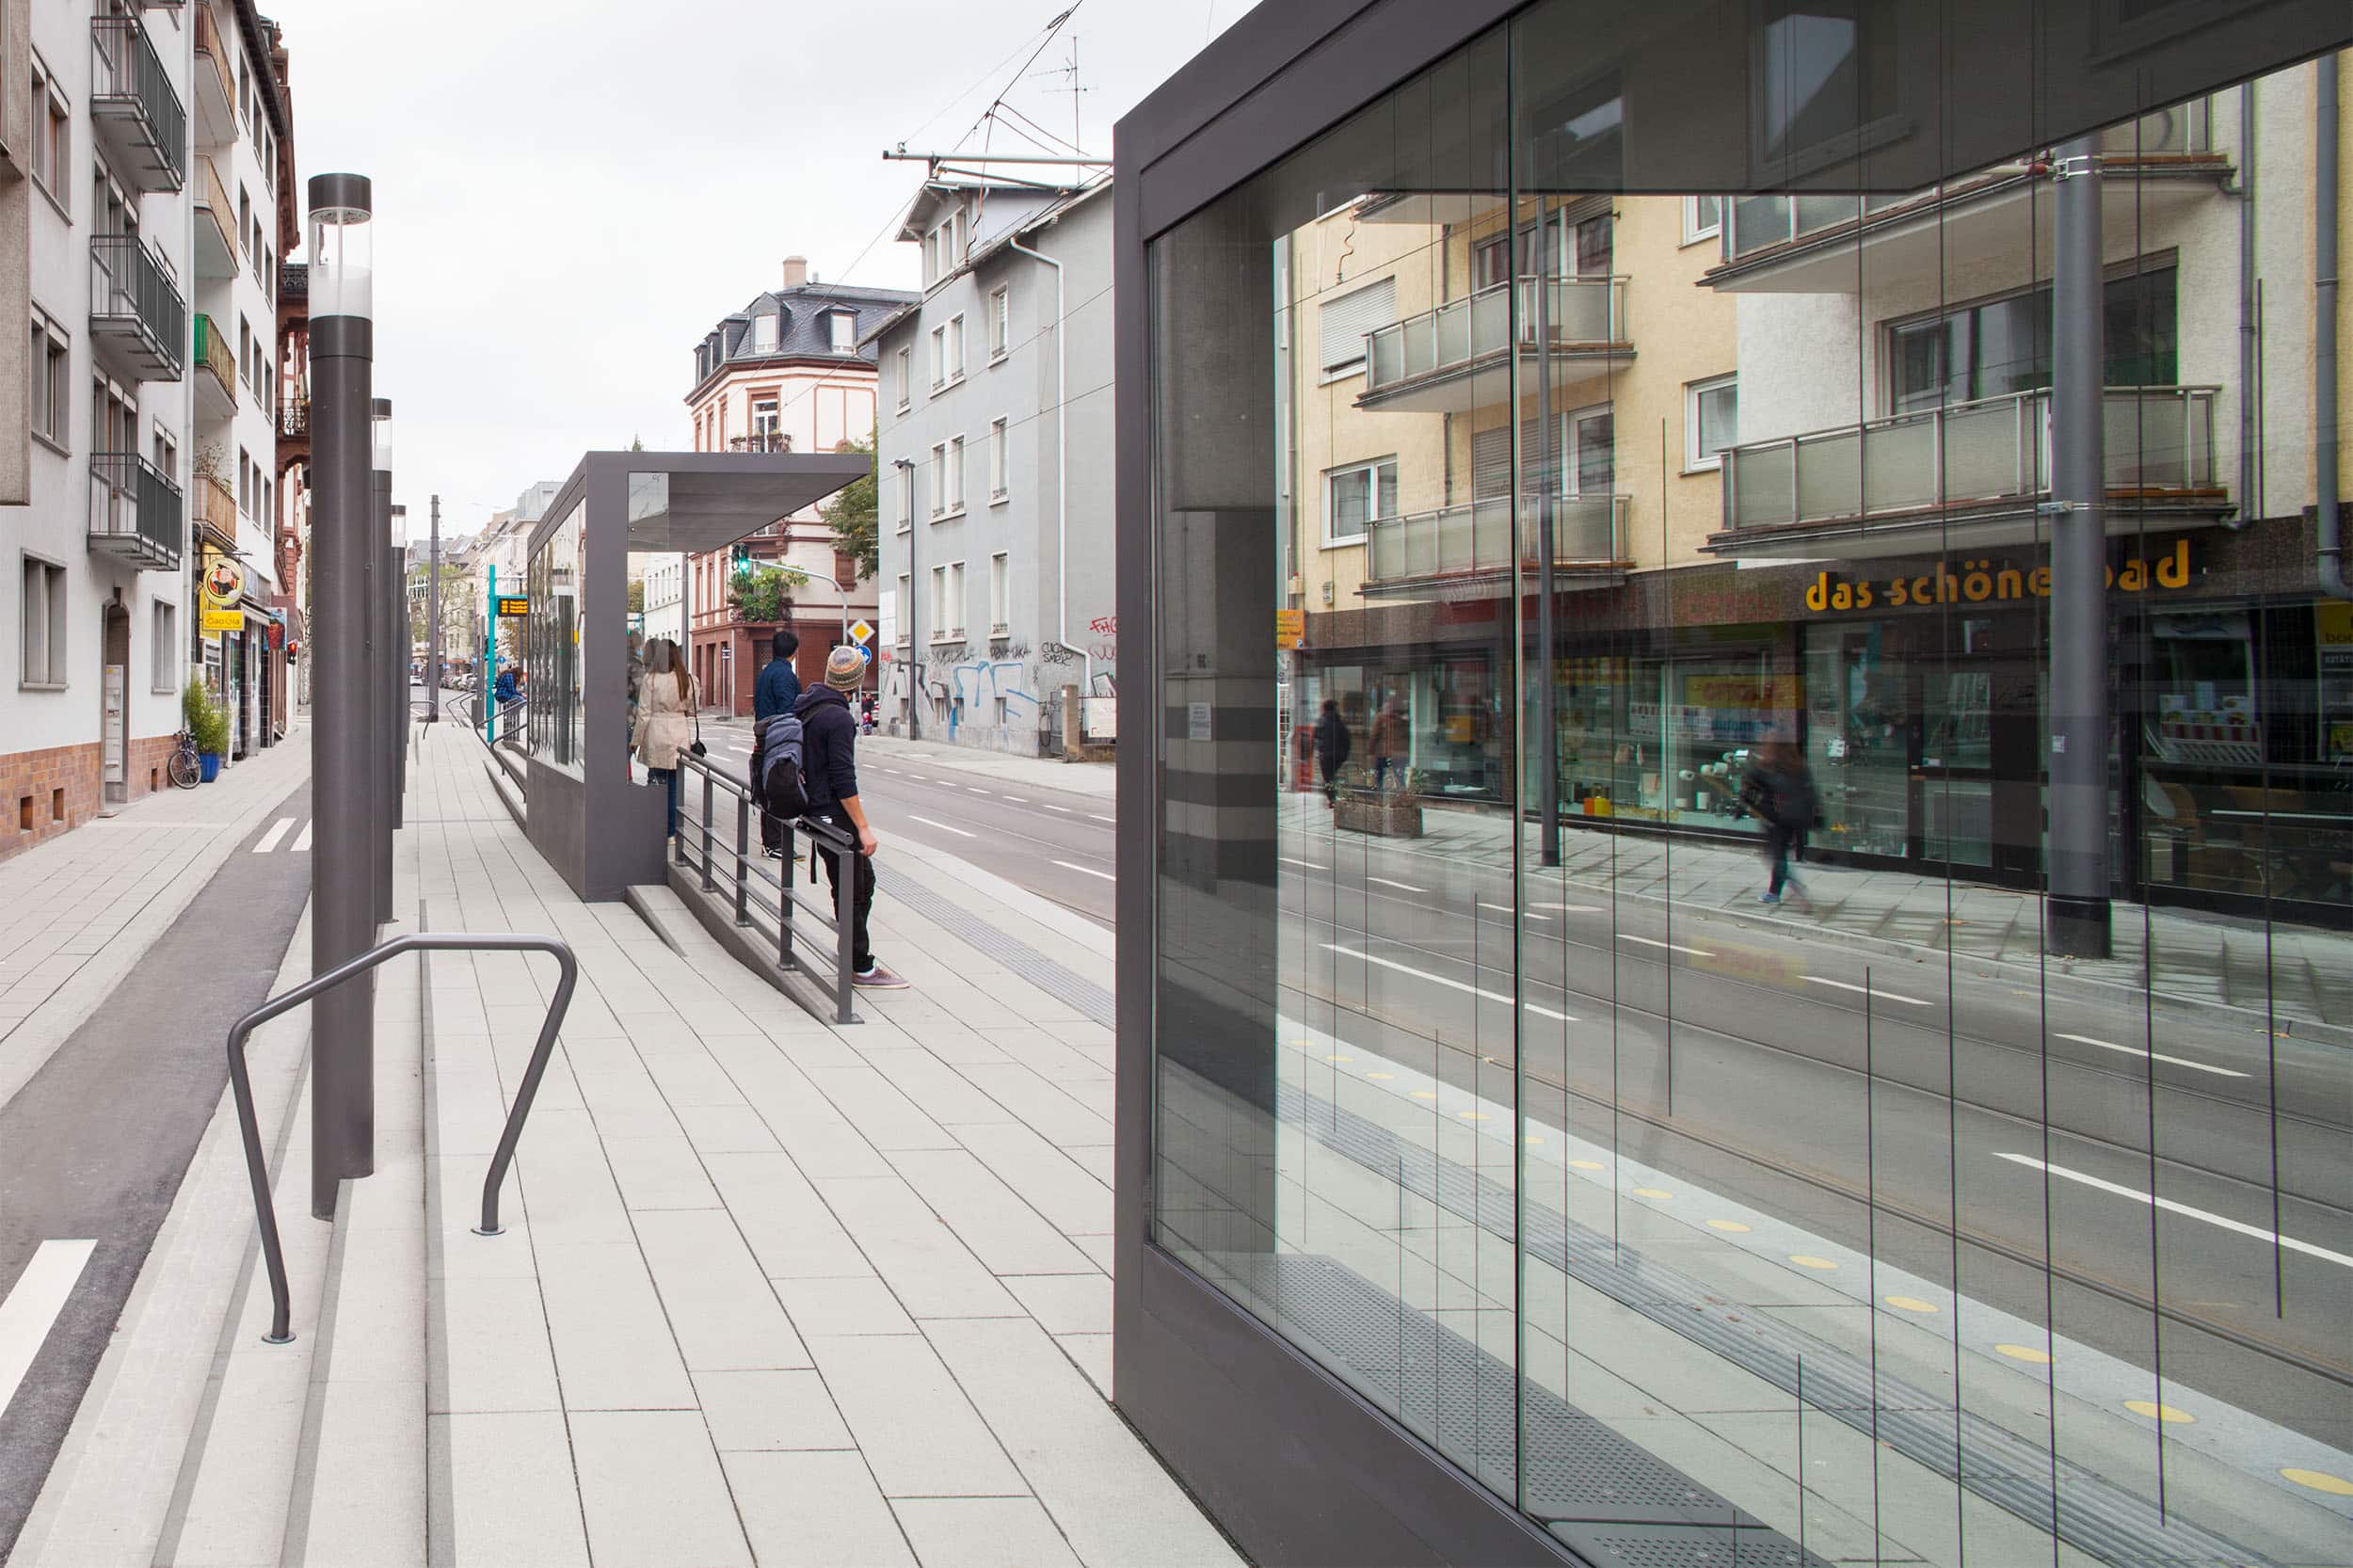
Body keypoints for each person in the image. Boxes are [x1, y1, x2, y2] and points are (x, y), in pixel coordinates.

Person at [795, 646, 907, 988]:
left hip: (815, 809)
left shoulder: (808, 705)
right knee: (855, 887)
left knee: (856, 883)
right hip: (833, 814)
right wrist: (863, 827)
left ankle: (853, 953)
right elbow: (844, 778)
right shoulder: (838, 717)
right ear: (855, 682)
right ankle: (859, 963)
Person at [1740, 740, 1817, 906]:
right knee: (1777, 854)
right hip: (1796, 818)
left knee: (1777, 856)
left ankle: (1776, 892)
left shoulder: (1768, 766)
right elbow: (1810, 792)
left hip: (1776, 818)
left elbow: (1751, 787)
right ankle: (1787, 885)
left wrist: (1742, 807)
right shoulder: (1799, 765)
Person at [633, 637, 696, 839]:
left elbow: (643, 713)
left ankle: (658, 828)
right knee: (674, 786)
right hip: (679, 733)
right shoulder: (687, 679)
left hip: (657, 732)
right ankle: (673, 831)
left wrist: (636, 741)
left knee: (657, 783)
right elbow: (693, 709)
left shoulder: (651, 680)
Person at [752, 630, 803, 858]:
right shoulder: (784, 675)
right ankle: (775, 844)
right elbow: (787, 709)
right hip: (779, 739)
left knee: (767, 786)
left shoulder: (765, 673)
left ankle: (771, 842)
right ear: (793, 652)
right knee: (780, 787)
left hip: (763, 735)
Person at [1312, 697, 1351, 805]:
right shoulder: (1339, 721)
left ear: (1324, 708)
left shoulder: (1322, 721)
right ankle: (1335, 795)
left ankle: (1332, 799)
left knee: (1328, 778)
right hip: (1339, 755)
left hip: (1326, 755)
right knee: (1332, 775)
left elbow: (1315, 736)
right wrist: (1344, 754)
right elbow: (1347, 739)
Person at [1369, 695, 1408, 792]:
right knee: (1386, 775)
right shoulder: (1384, 718)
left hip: (1393, 753)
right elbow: (1374, 735)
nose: (1388, 709)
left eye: (1389, 707)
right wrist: (1371, 750)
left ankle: (1398, 792)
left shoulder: (1398, 720)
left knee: (1393, 775)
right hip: (1385, 753)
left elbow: (1374, 735)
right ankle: (1386, 791)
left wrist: (1370, 751)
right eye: (1386, 707)